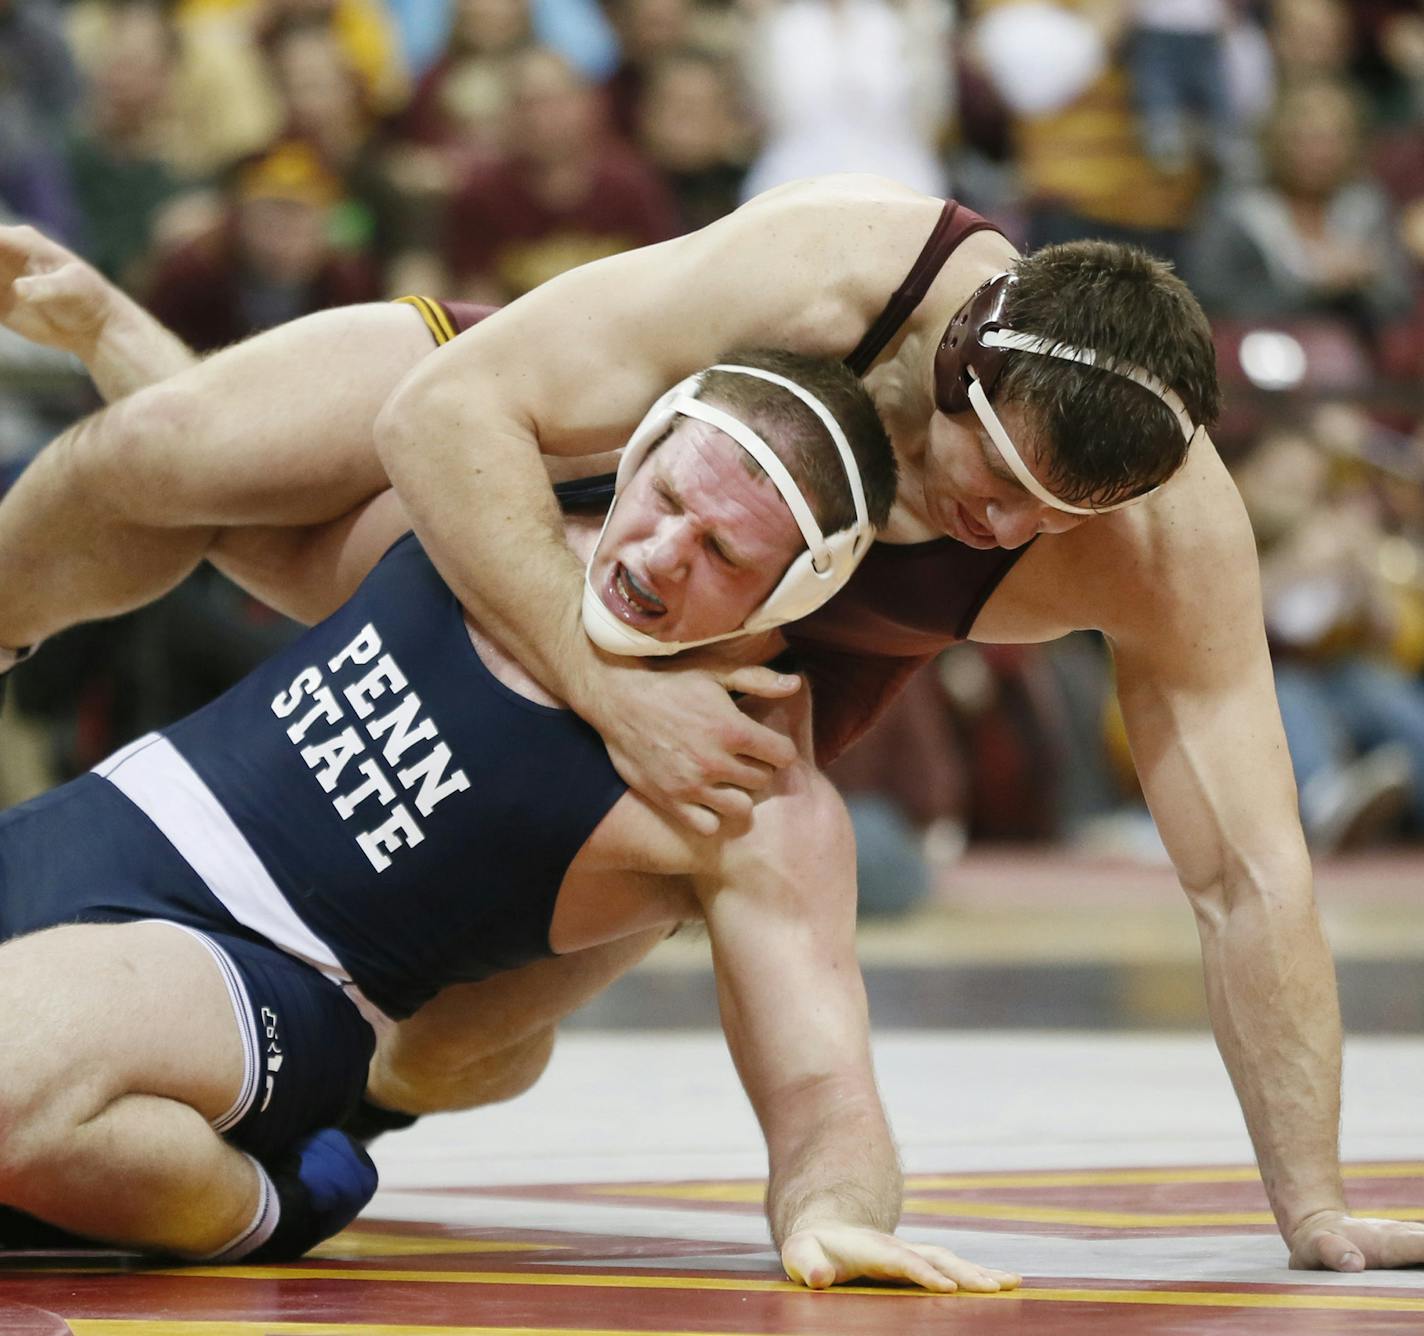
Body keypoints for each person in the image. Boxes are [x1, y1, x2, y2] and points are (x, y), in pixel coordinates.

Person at [2, 169, 1424, 1276]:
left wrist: (1314, 1199)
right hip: (584, 437)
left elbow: (1249, 872)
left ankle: (267, 1124)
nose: (999, 527)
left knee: (444, 1051)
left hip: (750, 664)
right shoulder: (843, 264)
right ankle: (106, 407)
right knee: (173, 458)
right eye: (988, 476)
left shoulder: (1166, 538)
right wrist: (610, 684)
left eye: (1050, 521)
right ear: (955, 359)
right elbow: (447, 418)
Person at [0, 318, 1021, 1296]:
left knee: (12, 1087)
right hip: (89, 823)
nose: (661, 554)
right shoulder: (480, 520)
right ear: (641, 450)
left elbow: (820, 1089)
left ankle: (266, 1200)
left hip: (249, 967)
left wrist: (834, 1213)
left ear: (800, 588)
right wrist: (103, 325)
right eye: (664, 497)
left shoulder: (748, 794)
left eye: (722, 554)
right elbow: (222, 470)